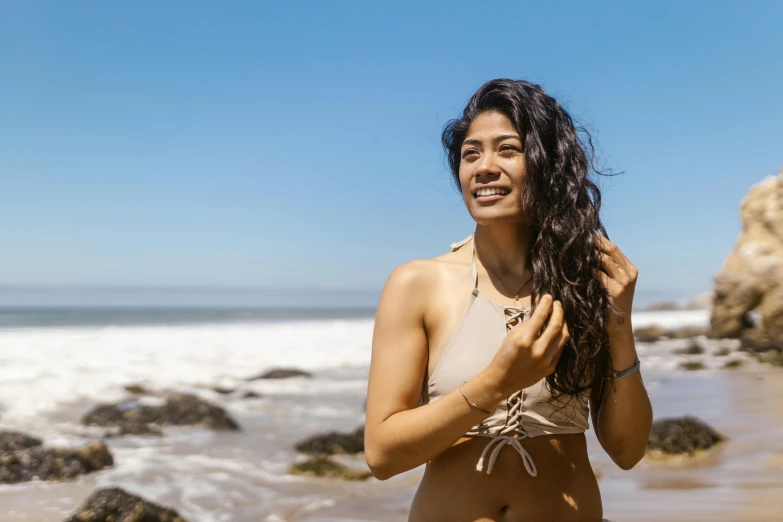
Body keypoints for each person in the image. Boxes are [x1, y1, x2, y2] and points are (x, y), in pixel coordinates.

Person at [363, 79, 653, 522]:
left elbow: (628, 451)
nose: (484, 167)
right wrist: (497, 381)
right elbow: (382, 455)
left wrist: (618, 323)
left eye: (507, 149)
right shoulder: (417, 284)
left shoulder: (582, 283)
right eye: (471, 153)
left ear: (546, 163)